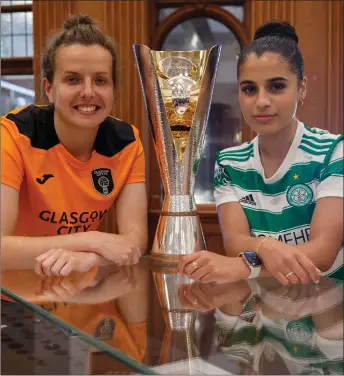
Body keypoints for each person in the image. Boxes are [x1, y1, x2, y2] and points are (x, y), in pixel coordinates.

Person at [179, 21, 343, 284]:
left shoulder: (333, 151)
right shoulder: (228, 163)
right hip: (260, 309)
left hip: (327, 310)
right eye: (249, 89)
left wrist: (245, 268)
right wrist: (267, 247)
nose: (262, 101)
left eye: (276, 86)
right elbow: (235, 243)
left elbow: (322, 253)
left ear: (302, 88)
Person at [1, 14, 148, 276]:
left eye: (100, 80)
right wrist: (93, 240)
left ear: (113, 89)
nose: (88, 92)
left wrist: (90, 260)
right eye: (73, 79)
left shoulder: (127, 141)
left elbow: (133, 244)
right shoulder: (12, 134)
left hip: (83, 293)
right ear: (48, 88)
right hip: (14, 302)